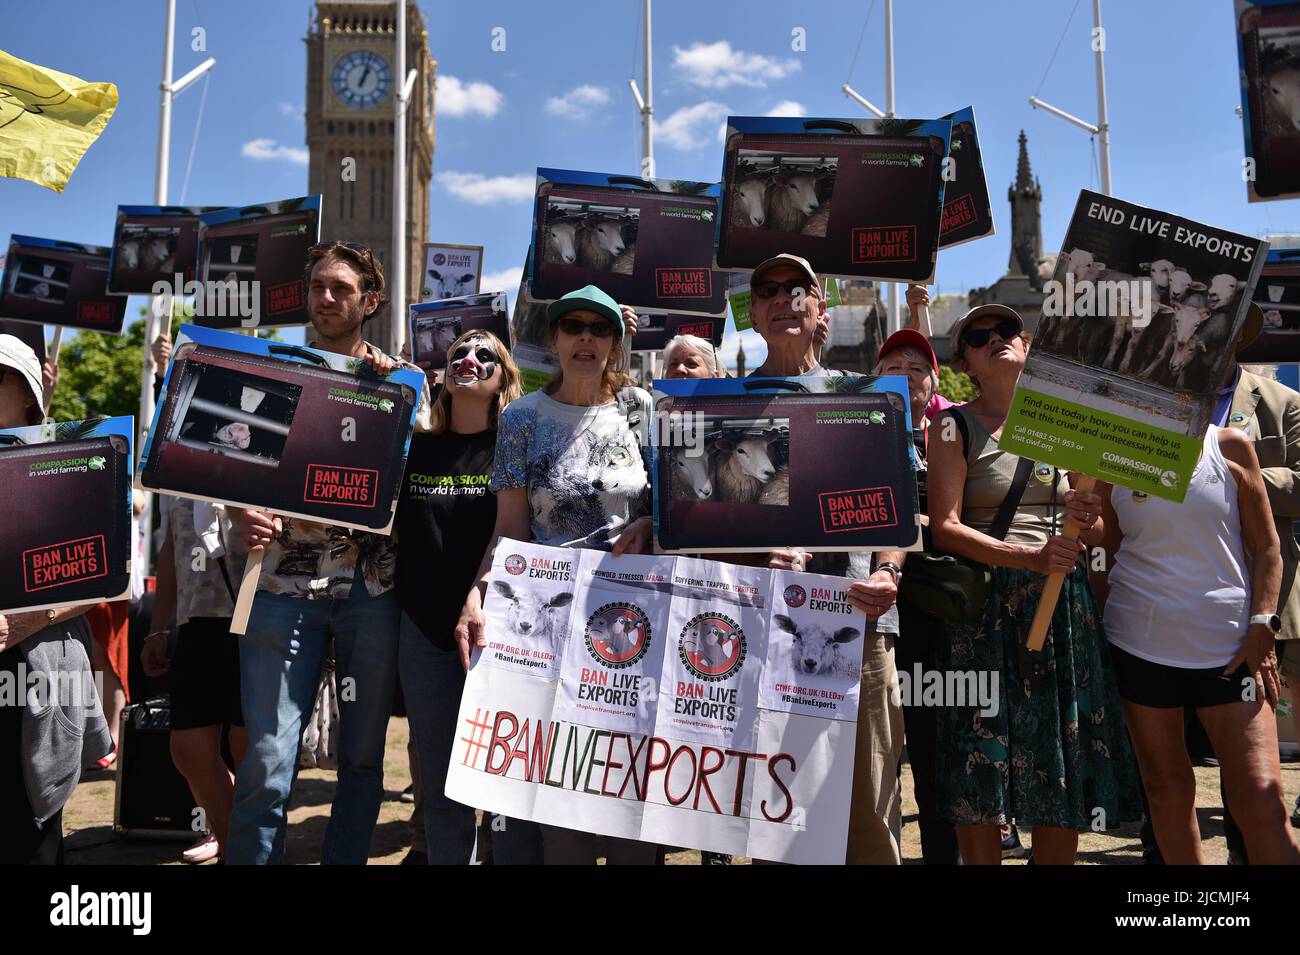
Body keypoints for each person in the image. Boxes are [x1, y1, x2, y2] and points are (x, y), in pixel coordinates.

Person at [227, 242, 431, 865]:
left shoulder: (402, 386)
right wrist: (241, 509)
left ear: (370, 301)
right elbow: (232, 458)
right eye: (318, 286)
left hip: (371, 588)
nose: (326, 298)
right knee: (267, 758)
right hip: (280, 586)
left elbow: (422, 478)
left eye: (342, 288)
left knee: (363, 760)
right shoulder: (274, 369)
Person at [926, 305, 1142, 865]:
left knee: (1058, 758)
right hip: (983, 611)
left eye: (1006, 332)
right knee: (980, 760)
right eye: (979, 336)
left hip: (1058, 606)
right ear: (966, 361)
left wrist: (1087, 513)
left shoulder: (1063, 425)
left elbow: (1095, 530)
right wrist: (1027, 556)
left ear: (1027, 345)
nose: (995, 339)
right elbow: (946, 529)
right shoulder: (952, 424)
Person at [456, 285, 657, 865]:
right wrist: (477, 594)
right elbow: (510, 531)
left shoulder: (641, 410)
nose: (586, 337)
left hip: (632, 630)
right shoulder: (520, 419)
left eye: (600, 327)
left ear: (616, 342)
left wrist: (648, 522)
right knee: (560, 806)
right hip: (551, 634)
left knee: (631, 802)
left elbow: (674, 506)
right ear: (554, 339)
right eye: (574, 326)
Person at [745, 254, 909, 864]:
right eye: (768, 291)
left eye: (798, 289)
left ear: (821, 309)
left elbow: (901, 507)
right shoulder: (720, 403)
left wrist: (888, 568)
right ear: (755, 314)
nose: (783, 299)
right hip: (761, 632)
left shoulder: (864, 396)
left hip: (856, 624)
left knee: (866, 807)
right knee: (776, 807)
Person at [1093, 422, 1300, 864]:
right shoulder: (1106, 450)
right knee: (1166, 792)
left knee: (1262, 803)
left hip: (1231, 647)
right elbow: (1105, 557)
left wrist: (1263, 625)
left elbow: (1267, 546)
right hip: (1138, 646)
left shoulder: (1229, 445)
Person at [396, 329, 534, 864]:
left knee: (504, 777)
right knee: (441, 778)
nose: (469, 360)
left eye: (485, 355)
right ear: (442, 375)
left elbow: (517, 534)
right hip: (423, 630)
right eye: (458, 354)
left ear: (504, 378)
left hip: (498, 632)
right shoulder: (414, 449)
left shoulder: (514, 447)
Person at [0, 334, 114, 864]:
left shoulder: (63, 457)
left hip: (39, 673)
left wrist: (27, 620)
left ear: (27, 393)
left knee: (33, 825)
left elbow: (106, 574)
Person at [873, 327, 959, 864]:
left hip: (937, 615)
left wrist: (929, 524)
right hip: (872, 610)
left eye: (917, 367)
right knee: (875, 756)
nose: (906, 377)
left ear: (933, 381)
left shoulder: (954, 435)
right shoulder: (853, 431)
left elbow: (969, 515)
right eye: (892, 367)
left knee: (935, 752)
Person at [141, 494, 249, 863]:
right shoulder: (171, 458)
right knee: (189, 750)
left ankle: (246, 851)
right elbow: (172, 546)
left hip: (257, 614)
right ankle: (238, 844)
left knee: (247, 746)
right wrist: (158, 629)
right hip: (194, 621)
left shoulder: (254, 442)